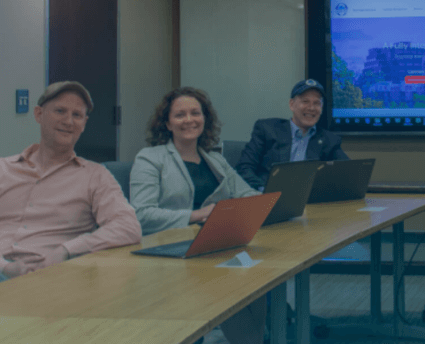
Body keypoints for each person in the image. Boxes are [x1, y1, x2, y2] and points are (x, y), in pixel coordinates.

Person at [129, 87, 264, 344]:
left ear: (205, 119)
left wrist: (271, 203)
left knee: (258, 276)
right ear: (167, 123)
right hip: (171, 251)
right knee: (231, 280)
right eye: (180, 115)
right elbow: (141, 214)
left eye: (195, 113)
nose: (189, 120)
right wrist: (196, 215)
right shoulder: (150, 158)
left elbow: (245, 193)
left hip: (213, 245)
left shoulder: (215, 160)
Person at [0, 81, 141, 281]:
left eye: (77, 115)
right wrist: (5, 267)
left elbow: (128, 227)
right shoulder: (4, 168)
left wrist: (66, 250)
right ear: (39, 114)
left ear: (84, 124)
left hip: (48, 278)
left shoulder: (95, 175)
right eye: (60, 111)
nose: (68, 121)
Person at [237, 78, 348, 190]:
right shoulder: (267, 129)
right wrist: (263, 191)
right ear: (292, 105)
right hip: (269, 199)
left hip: (310, 203)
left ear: (322, 108)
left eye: (317, 103)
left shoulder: (329, 140)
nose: (311, 108)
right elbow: (244, 167)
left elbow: (349, 172)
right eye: (305, 102)